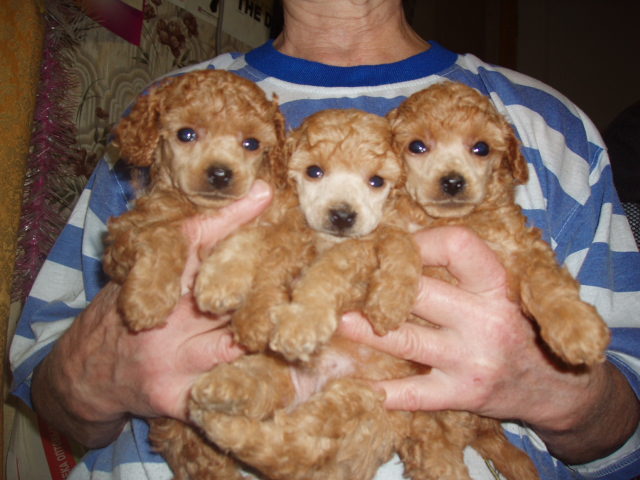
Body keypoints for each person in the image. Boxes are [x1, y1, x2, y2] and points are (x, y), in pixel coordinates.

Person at [10, 0, 640, 478]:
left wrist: (551, 382)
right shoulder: (174, 106)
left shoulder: (549, 126)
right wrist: (96, 370)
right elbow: (41, 375)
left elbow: (626, 435)